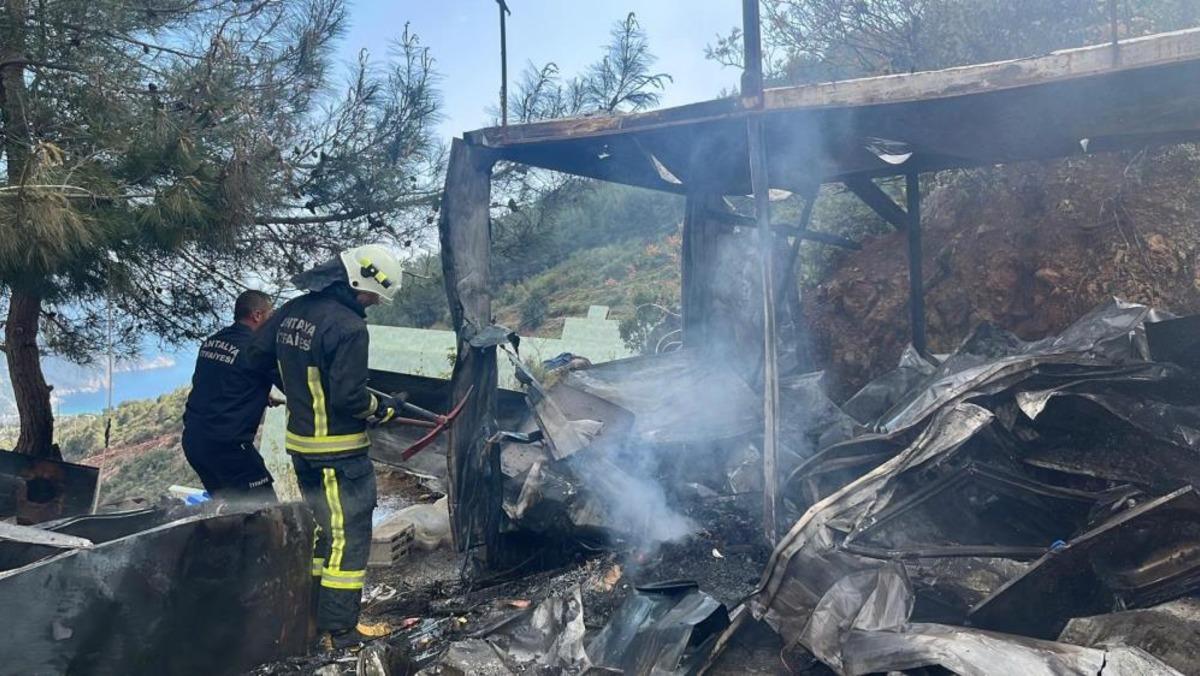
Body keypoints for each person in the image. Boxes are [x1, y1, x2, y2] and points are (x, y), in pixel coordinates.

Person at [246, 244, 405, 650]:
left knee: (325, 534)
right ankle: (342, 631)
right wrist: (382, 409)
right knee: (349, 538)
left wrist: (296, 387)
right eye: (373, 294)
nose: (374, 302)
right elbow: (350, 398)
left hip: (301, 448)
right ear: (357, 281)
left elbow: (257, 355)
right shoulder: (349, 327)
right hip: (340, 453)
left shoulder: (293, 310)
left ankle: (313, 620)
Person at [181, 289, 279, 504]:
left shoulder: (212, 342)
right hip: (228, 447)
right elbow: (292, 385)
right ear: (257, 315)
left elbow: (221, 382)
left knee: (231, 509)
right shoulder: (258, 348)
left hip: (194, 442)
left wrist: (260, 395)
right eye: (271, 315)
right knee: (266, 510)